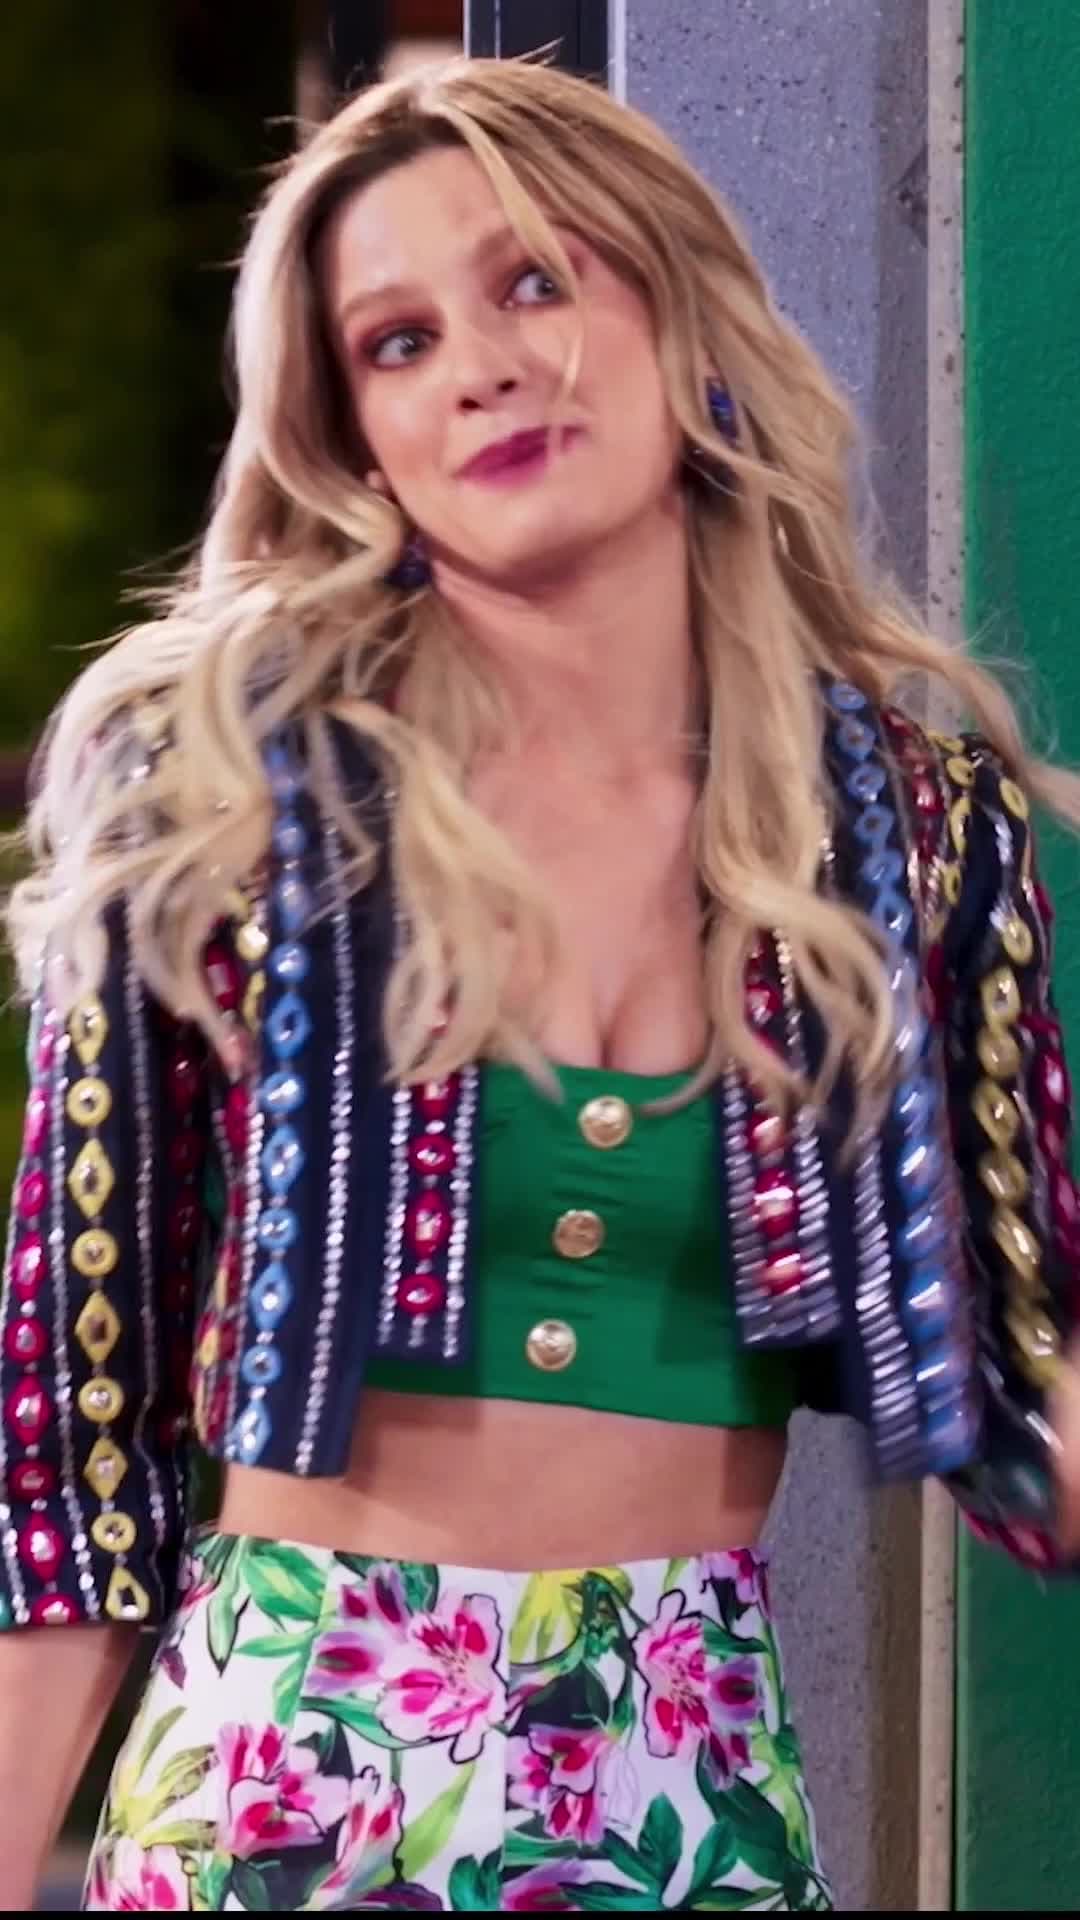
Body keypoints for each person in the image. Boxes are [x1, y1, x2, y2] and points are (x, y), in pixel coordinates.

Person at [1, 54, 1079, 1914]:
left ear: (683, 320)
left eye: (534, 282)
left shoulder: (911, 828)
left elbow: (1029, 1381)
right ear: (355, 438)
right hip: (283, 1779)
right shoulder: (218, 798)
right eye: (398, 342)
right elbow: (72, 1429)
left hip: (694, 1785)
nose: (483, 368)